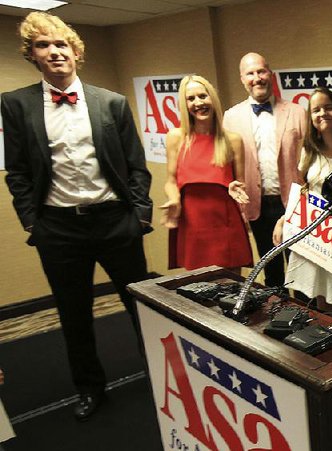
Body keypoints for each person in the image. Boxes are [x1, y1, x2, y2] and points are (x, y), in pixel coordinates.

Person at [2, 12, 152, 421]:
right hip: (58, 227)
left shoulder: (112, 103)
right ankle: (89, 388)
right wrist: (32, 221)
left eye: (61, 44)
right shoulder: (15, 105)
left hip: (115, 221)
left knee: (141, 304)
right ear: (32, 55)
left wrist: (139, 214)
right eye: (43, 45)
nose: (54, 52)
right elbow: (16, 171)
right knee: (74, 314)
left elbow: (136, 166)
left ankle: (160, 375)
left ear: (76, 52)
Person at [272, 87, 332, 310]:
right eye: (316, 110)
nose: (322, 113)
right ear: (310, 117)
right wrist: (285, 218)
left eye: (328, 107)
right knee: (322, 300)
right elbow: (303, 192)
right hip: (320, 237)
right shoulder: (309, 151)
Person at [222, 52, 306, 286]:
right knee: (272, 272)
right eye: (250, 73)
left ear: (270, 74)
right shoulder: (230, 117)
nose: (257, 78)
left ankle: (304, 320)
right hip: (257, 206)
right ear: (242, 78)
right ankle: (277, 319)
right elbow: (227, 165)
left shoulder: (297, 112)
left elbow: (310, 159)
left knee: (300, 272)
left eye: (261, 71)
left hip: (293, 204)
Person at [160, 75, 252, 272]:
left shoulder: (233, 140)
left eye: (203, 96)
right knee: (199, 289)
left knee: (231, 287)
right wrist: (174, 199)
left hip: (225, 220)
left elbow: (240, 183)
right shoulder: (175, 137)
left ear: (213, 99)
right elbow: (170, 181)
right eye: (191, 99)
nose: (198, 103)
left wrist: (237, 187)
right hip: (192, 222)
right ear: (184, 105)